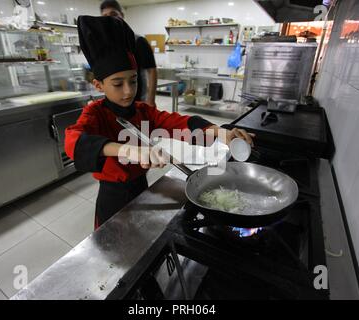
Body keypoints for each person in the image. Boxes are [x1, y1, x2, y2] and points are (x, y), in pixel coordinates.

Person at [65, 15, 255, 230]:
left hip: (142, 188)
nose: (128, 91)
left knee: (141, 237)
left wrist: (222, 133)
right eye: (118, 84)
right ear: (99, 85)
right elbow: (74, 142)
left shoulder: (142, 111)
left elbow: (180, 122)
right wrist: (129, 151)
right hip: (112, 196)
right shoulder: (95, 113)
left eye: (133, 80)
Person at [100, 0, 157, 106]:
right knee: (121, 123)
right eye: (105, 16)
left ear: (121, 15)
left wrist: (151, 99)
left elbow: (151, 71)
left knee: (145, 123)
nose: (109, 19)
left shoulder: (138, 41)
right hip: (116, 102)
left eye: (113, 14)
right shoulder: (106, 44)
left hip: (140, 100)